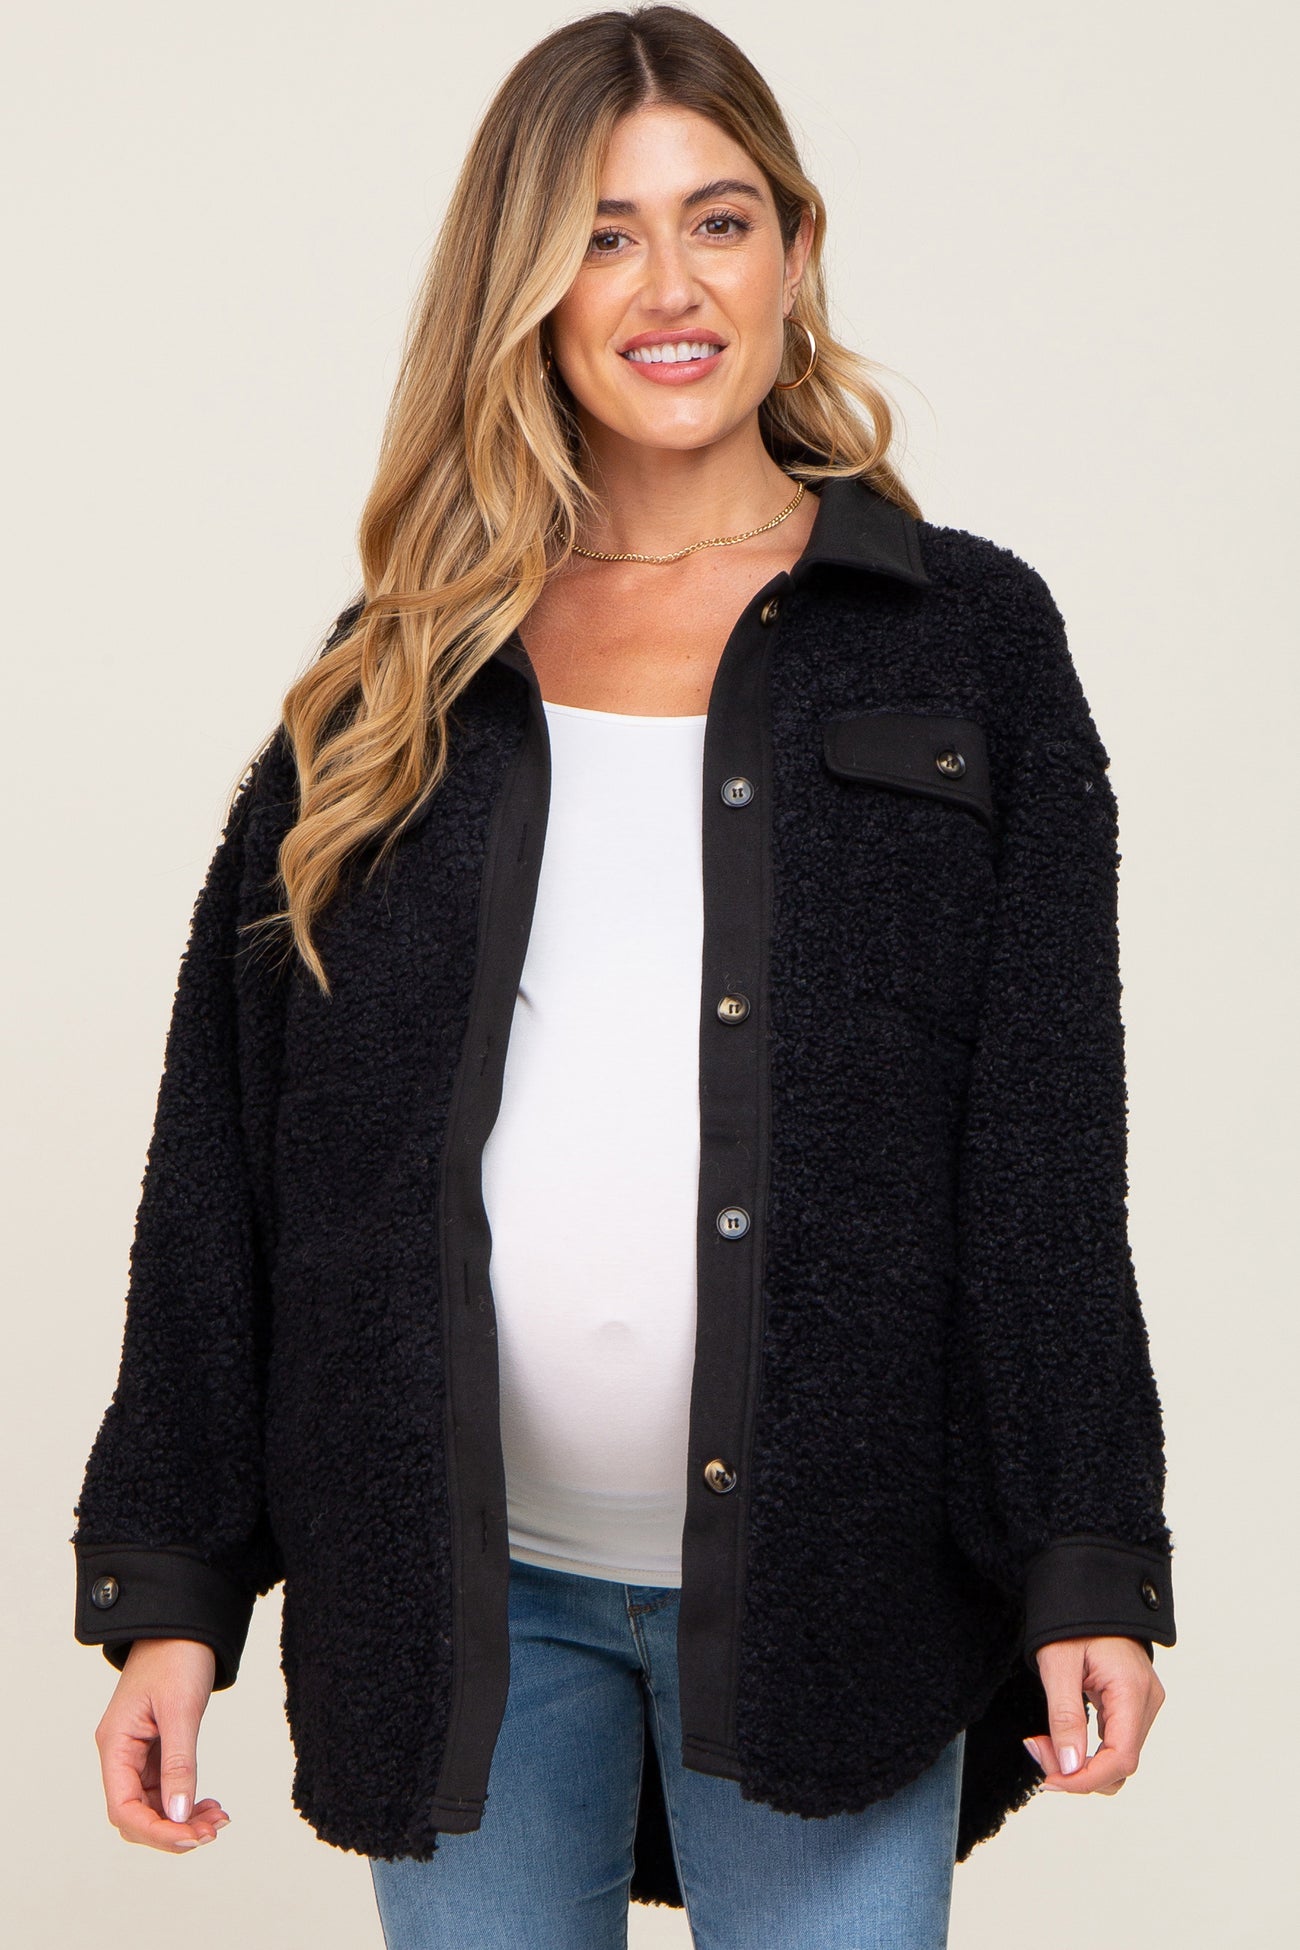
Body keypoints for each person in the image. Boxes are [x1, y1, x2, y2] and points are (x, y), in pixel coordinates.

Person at [70, 8, 1177, 1947]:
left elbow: (1042, 1146)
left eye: (717, 221)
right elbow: (227, 1150)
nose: (668, 286)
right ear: (524, 286)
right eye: (599, 234)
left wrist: (1085, 1549)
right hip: (456, 1595)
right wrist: (170, 1585)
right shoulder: (398, 669)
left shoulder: (964, 642)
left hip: (837, 1592)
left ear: (795, 251)